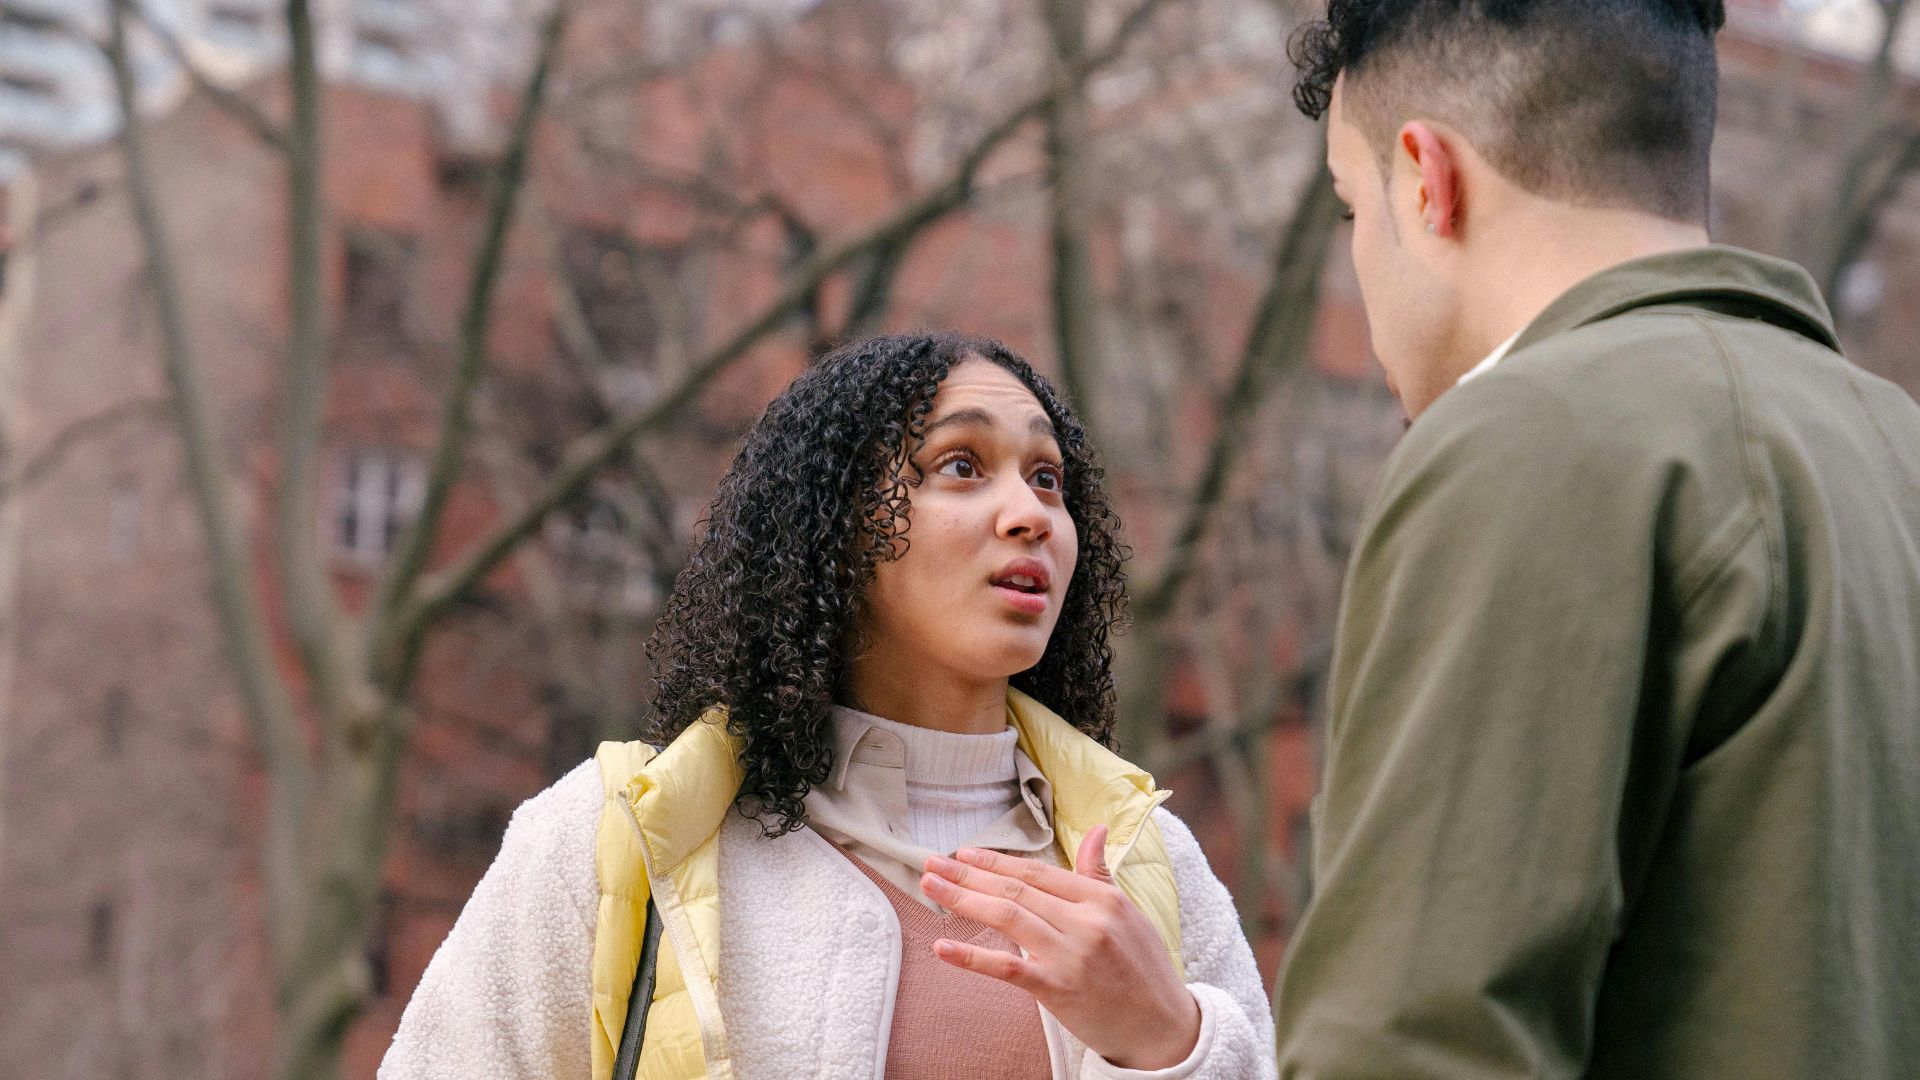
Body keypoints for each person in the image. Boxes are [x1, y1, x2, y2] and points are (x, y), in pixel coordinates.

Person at [1273, 1, 1920, 1078]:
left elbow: (1410, 1044)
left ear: (1428, 180)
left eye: (1353, 209)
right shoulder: (1898, 447)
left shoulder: (1529, 438)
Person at [379, 332, 1276, 1080]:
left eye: (1048, 479)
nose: (1030, 513)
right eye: (962, 466)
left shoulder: (1147, 863)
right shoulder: (621, 841)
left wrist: (1173, 1046)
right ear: (834, 532)